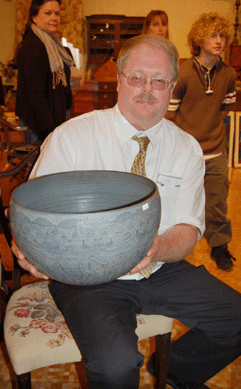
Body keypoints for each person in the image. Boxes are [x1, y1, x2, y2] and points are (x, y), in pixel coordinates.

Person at [12, 34, 241, 389]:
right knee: (116, 364)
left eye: (159, 81)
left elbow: (187, 228)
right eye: (137, 77)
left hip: (160, 266)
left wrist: (155, 250)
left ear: (171, 88)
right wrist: (26, 245)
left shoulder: (187, 148)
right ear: (119, 80)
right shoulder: (71, 137)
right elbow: (32, 212)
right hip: (87, 277)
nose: (147, 89)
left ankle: (176, 370)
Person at [166, 12, 237, 271]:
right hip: (187, 153)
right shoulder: (182, 73)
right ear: (199, 39)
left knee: (217, 204)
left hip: (216, 150)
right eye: (212, 35)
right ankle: (173, 251)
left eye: (222, 35)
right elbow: (170, 114)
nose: (218, 41)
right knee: (179, 203)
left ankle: (219, 247)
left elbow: (224, 109)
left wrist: (207, 129)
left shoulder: (228, 74)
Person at [14, 0, 77, 144]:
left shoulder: (53, 44)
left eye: (57, 13)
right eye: (48, 13)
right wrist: (50, 133)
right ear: (34, 17)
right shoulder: (34, 48)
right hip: (38, 126)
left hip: (52, 120)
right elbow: (35, 97)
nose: (54, 18)